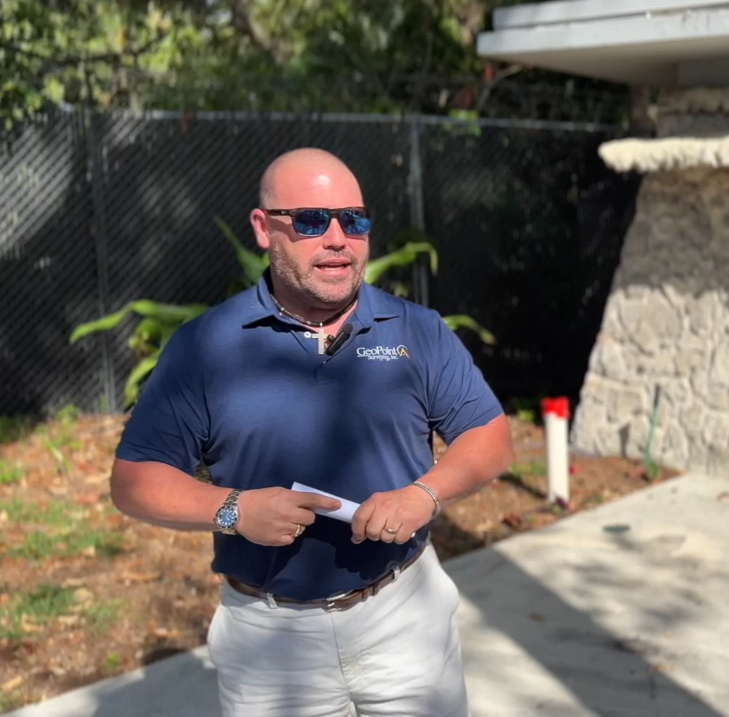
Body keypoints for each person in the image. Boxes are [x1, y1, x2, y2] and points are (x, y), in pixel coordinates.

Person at [110, 147, 514, 717]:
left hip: (403, 616)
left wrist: (424, 494)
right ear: (262, 229)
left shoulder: (416, 331)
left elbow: (489, 437)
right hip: (270, 641)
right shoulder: (206, 347)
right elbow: (134, 481)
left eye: (353, 220)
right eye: (308, 220)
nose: (336, 238)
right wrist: (235, 510)